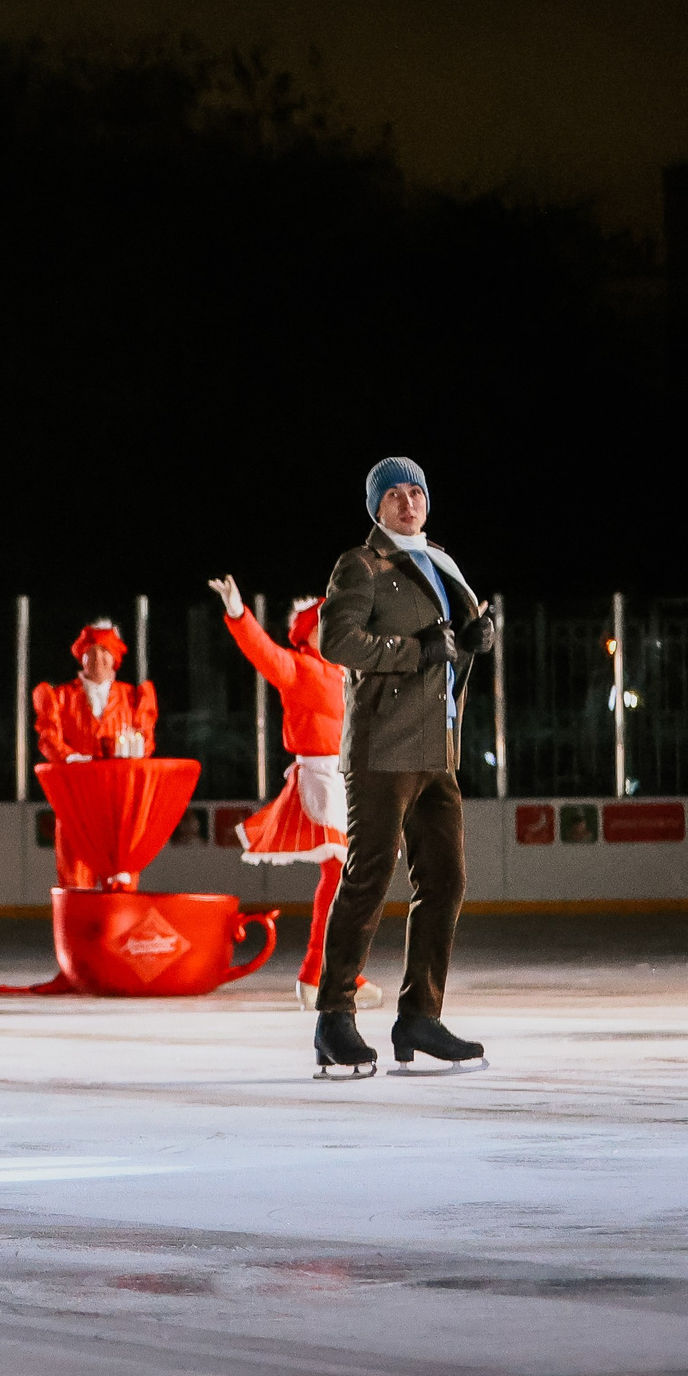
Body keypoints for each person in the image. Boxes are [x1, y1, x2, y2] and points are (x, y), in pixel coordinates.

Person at [309, 456, 495, 1079]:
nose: (408, 502)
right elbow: (335, 642)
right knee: (367, 880)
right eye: (394, 495)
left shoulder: (441, 562)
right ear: (376, 508)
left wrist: (473, 640)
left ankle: (420, 1015)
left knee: (446, 881)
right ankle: (334, 1016)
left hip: (437, 751)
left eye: (416, 491)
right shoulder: (360, 565)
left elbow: (451, 640)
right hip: (383, 750)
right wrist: (415, 650)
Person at [205, 577, 378, 1011]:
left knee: (351, 880)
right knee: (339, 875)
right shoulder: (299, 667)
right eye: (323, 627)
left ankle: (339, 971)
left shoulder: (351, 674)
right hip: (320, 778)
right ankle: (316, 973)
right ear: (306, 634)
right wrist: (237, 613)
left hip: (352, 780)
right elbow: (262, 653)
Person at [31, 620, 159, 888]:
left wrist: (129, 755)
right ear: (81, 656)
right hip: (76, 803)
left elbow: (145, 740)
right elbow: (48, 737)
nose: (98, 659)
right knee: (75, 882)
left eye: (105, 652)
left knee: (121, 885)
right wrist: (71, 758)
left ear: (115, 658)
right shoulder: (60, 697)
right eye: (92, 652)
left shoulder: (133, 698)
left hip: (119, 807)